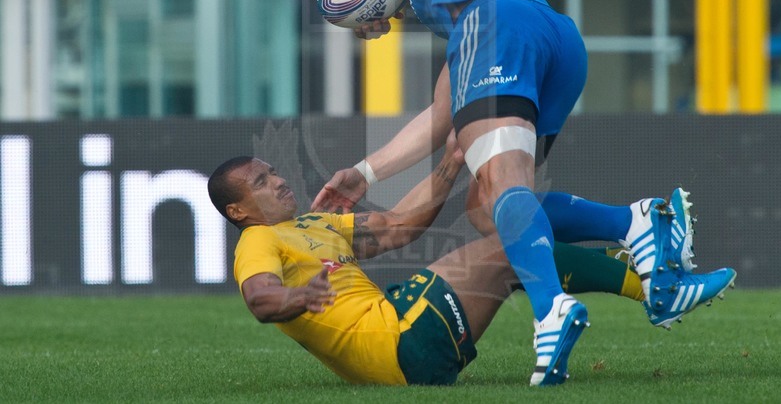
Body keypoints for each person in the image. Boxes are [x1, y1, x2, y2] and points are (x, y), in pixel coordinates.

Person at [284, 0, 735, 385]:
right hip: (557, 39)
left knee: (502, 182)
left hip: (498, 26)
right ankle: (635, 223)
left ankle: (551, 309)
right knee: (487, 206)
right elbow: (442, 116)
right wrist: (365, 173)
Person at [207, 133, 730, 386]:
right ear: (238, 209)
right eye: (260, 182)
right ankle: (652, 283)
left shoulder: (311, 227)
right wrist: (298, 295)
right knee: (508, 245)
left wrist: (452, 162)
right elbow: (259, 298)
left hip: (404, 344)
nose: (276, 181)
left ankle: (652, 289)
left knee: (522, 259)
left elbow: (399, 227)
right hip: (395, 343)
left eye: (272, 172)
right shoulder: (257, 242)